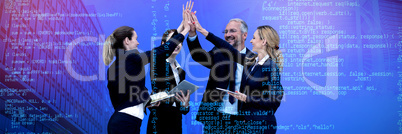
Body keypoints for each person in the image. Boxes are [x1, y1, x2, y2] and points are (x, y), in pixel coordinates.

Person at [190, 13, 284, 134]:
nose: (251, 40)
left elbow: (275, 99)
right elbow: (227, 50)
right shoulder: (250, 60)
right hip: (224, 120)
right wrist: (200, 31)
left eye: (254, 38)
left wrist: (249, 103)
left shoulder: (267, 65)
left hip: (249, 123)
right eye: (226, 31)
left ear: (263, 42)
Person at [102, 9, 191, 134]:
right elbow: (162, 51)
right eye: (136, 39)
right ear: (127, 41)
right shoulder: (131, 58)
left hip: (127, 122)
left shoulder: (117, 65)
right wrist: (185, 30)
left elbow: (127, 94)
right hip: (126, 123)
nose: (138, 43)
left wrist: (147, 102)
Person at [186, 17, 255, 132]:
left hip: (241, 120)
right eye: (226, 32)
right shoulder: (219, 52)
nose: (228, 35)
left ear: (245, 35)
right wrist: (192, 33)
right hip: (214, 117)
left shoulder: (252, 59)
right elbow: (199, 56)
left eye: (232, 31)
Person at [146, 29, 191, 134]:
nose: (176, 44)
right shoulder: (157, 63)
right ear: (163, 45)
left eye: (179, 41)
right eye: (172, 40)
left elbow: (183, 109)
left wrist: (185, 105)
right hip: (159, 122)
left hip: (176, 123)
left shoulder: (181, 72)